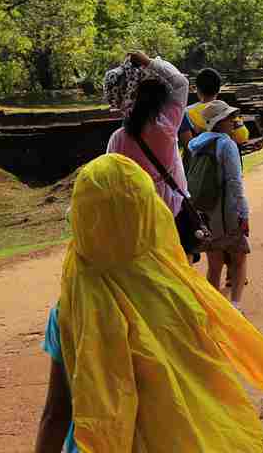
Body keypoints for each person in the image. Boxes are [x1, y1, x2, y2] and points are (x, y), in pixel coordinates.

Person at [33, 154, 263, 452]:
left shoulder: (71, 310)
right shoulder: (182, 292)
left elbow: (56, 413)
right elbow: (208, 379)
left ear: (82, 219)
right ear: (150, 213)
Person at [104, 50, 189, 215]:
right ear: (160, 99)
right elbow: (181, 83)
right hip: (171, 208)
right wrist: (149, 61)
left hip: (138, 213)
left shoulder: (117, 139)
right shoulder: (167, 126)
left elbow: (110, 178)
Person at [186, 100, 251, 307]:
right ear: (219, 121)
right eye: (229, 117)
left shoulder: (195, 144)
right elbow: (234, 182)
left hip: (205, 211)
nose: (234, 121)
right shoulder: (226, 144)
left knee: (214, 264)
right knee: (239, 259)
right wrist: (243, 212)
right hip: (227, 210)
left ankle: (214, 308)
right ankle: (236, 306)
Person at [180, 66, 248, 148]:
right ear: (219, 89)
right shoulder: (227, 112)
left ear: (197, 89)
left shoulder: (186, 113)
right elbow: (242, 136)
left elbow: (187, 145)